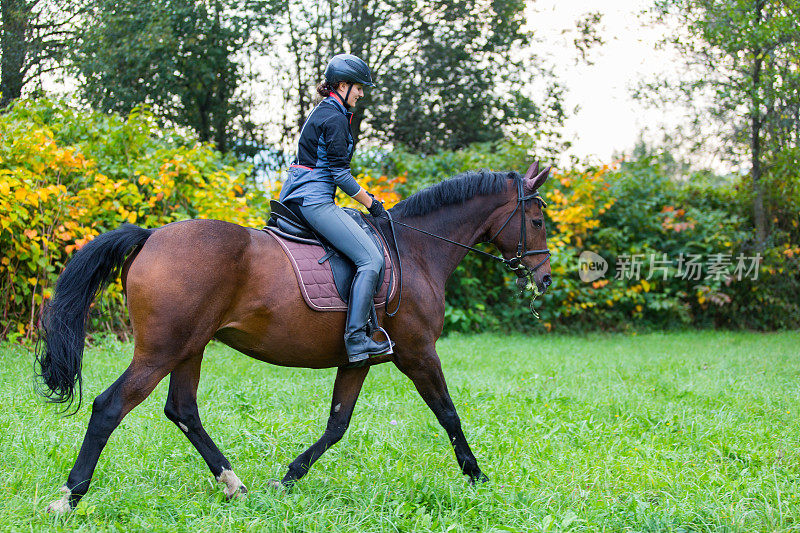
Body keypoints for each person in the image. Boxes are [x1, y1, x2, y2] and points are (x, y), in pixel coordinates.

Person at [279, 54, 391, 364]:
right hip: (313, 200)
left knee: (356, 228)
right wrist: (373, 203)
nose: (361, 94)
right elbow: (340, 175)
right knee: (371, 258)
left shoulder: (327, 111)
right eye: (358, 88)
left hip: (299, 195)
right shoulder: (335, 118)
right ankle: (356, 339)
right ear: (342, 85)